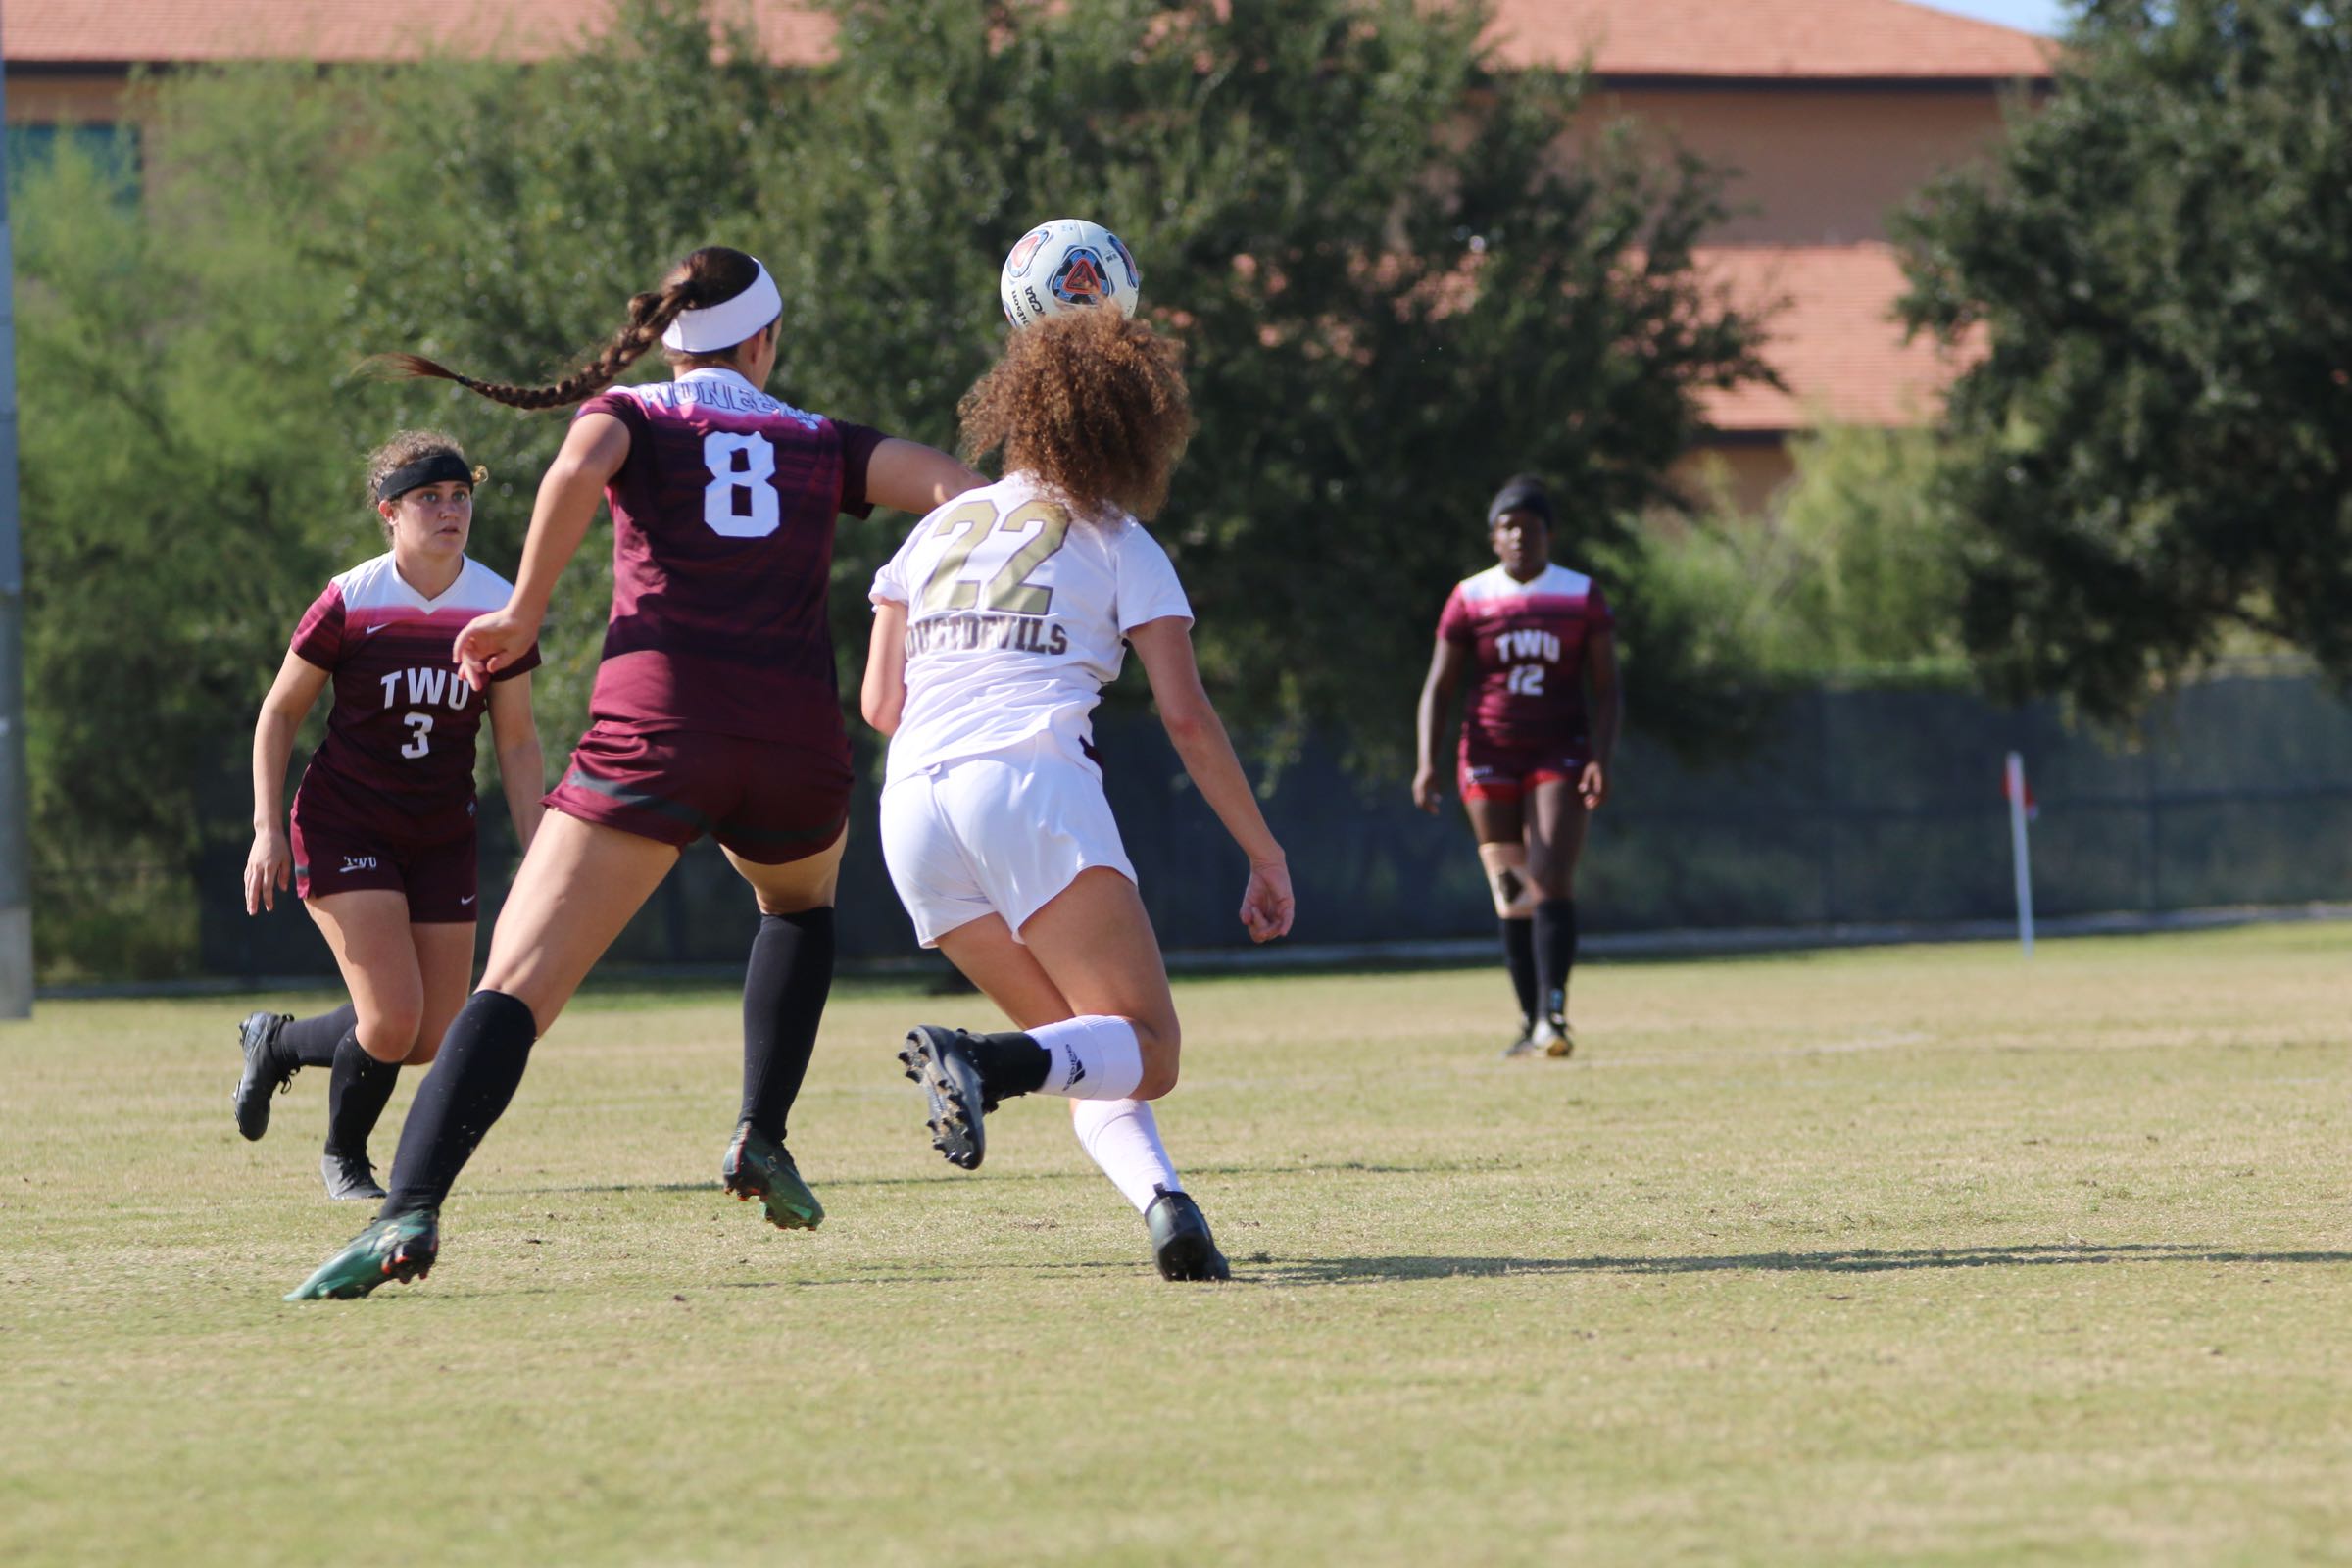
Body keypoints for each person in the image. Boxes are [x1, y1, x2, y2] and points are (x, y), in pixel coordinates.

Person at [288, 245, 982, 1299]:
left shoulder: (635, 415)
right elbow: (964, 498)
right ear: (765, 339)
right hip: (794, 743)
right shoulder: (821, 441)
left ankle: (408, 1211)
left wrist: (523, 609)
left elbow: (576, 468)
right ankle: (761, 1133)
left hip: (662, 730)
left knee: (515, 987)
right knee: (799, 907)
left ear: (668, 338)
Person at [861, 306, 1295, 1283]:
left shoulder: (934, 529)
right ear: (1132, 424)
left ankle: (1169, 1208)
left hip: (910, 816)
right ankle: (982, 1060)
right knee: (1150, 1047)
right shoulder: (1116, 539)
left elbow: (879, 703)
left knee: (1083, 1047)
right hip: (1026, 788)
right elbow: (1187, 718)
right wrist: (1264, 854)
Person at [233, 433, 543, 1200]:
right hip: (346, 824)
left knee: (429, 1033)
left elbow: (518, 738)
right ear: (389, 512)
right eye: (428, 499)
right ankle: (346, 1158)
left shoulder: (498, 604)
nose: (449, 511)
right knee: (394, 1016)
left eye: (460, 497)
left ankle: (276, 1043)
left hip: (440, 834)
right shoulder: (353, 598)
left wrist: (545, 848)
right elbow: (279, 713)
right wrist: (267, 827)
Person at [1413, 475, 1620, 1058]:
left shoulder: (1580, 595)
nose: (1519, 537)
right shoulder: (1471, 597)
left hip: (1560, 750)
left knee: (1550, 873)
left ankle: (1555, 1014)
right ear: (1493, 537)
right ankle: (1530, 1023)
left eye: (1530, 528)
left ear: (1548, 535)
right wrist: (1427, 761)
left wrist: (1600, 758)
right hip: (1489, 752)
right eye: (1508, 527)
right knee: (1510, 888)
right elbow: (1439, 686)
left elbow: (1607, 689)